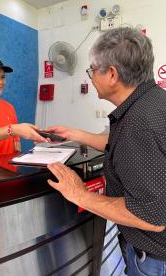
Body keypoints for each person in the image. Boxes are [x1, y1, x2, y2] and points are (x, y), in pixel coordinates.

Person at [46, 28, 166, 276]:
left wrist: (80, 195)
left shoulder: (138, 122)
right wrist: (75, 134)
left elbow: (152, 217)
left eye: (92, 70)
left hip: (155, 262)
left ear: (112, 74)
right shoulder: (152, 103)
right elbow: (123, 145)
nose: (90, 77)